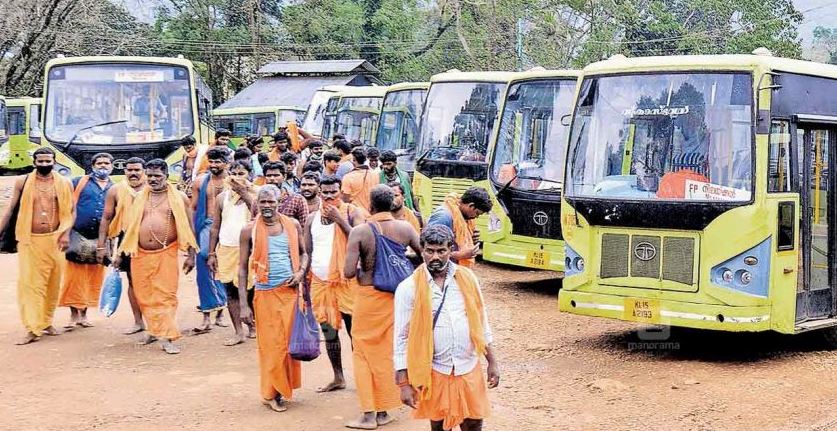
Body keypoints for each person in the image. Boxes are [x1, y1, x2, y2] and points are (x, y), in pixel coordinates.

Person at [394, 225, 500, 431]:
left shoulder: (468, 278)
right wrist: (403, 383)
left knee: (474, 422)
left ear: (451, 249)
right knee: (440, 425)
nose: (435, 257)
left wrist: (492, 362)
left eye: (441, 251)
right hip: (435, 370)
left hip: (468, 366)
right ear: (422, 251)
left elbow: (481, 321)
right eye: (430, 251)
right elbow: (401, 337)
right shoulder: (408, 288)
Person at [343, 185, 421, 429]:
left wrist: (365, 269)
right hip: (397, 299)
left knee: (363, 355)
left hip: (368, 298)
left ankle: (368, 414)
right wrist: (402, 263)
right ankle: (384, 411)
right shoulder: (406, 228)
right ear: (392, 204)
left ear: (371, 205)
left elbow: (348, 272)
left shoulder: (360, 231)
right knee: (388, 353)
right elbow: (425, 255)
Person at [238, 185, 308, 413]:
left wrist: (300, 273)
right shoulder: (248, 230)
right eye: (263, 202)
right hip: (265, 295)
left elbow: (304, 253)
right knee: (272, 347)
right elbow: (242, 269)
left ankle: (282, 387)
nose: (267, 206)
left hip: (290, 294)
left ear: (280, 202)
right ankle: (271, 393)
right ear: (257, 203)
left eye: (271, 202)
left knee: (288, 345)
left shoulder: (292, 224)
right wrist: (243, 305)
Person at [119, 159, 197, 354]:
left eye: (157, 176)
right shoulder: (140, 197)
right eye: (150, 175)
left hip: (166, 252)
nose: (153, 179)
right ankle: (154, 330)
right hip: (139, 254)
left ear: (166, 176)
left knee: (165, 296)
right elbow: (130, 228)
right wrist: (120, 253)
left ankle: (167, 336)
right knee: (144, 295)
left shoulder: (179, 197)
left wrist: (191, 255)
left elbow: (189, 227)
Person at [0, 147, 74, 345]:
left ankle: (46, 322)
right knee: (31, 284)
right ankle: (32, 327)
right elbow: (11, 209)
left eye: (48, 161)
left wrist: (66, 234)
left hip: (56, 240)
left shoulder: (64, 182)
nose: (44, 164)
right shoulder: (22, 181)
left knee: (53, 284)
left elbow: (71, 211)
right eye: (40, 161)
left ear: (54, 162)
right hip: (30, 240)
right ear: (34, 163)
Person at [302, 175, 366, 393]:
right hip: (320, 284)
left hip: (348, 283)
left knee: (355, 332)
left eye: (333, 192)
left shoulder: (352, 212)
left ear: (341, 192)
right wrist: (303, 280)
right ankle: (338, 377)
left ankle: (363, 378)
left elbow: (361, 239)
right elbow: (307, 252)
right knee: (329, 333)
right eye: (325, 192)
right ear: (320, 192)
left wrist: (340, 220)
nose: (329, 196)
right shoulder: (312, 219)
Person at [59, 152, 114, 329]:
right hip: (78, 234)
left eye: (106, 163)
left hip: (101, 238)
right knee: (74, 276)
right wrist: (64, 232)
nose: (103, 166)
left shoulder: (115, 187)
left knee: (93, 276)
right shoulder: (79, 182)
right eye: (99, 163)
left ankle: (84, 315)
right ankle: (73, 315)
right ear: (92, 166)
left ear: (112, 166)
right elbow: (65, 204)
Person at [207, 161, 257, 346]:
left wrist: (244, 193)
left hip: (251, 250)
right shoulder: (222, 197)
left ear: (250, 174)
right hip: (227, 250)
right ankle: (238, 332)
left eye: (241, 173)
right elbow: (215, 227)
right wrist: (211, 253)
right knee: (231, 292)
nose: (237, 178)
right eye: (234, 174)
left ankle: (253, 326)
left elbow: (259, 212)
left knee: (251, 291)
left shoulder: (257, 194)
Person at [97, 157, 147, 335]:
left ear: (144, 171)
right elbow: (106, 218)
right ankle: (138, 321)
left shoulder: (153, 188)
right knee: (133, 281)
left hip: (150, 240)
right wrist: (101, 246)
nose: (133, 173)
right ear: (124, 171)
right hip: (126, 240)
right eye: (129, 170)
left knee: (152, 282)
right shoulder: (116, 190)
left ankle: (157, 322)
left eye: (137, 170)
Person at [191, 146, 230, 333]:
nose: (214, 165)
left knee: (224, 267)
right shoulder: (200, 181)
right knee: (204, 265)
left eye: (218, 162)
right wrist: (192, 232)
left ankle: (221, 312)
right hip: (206, 225)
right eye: (211, 161)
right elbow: (193, 207)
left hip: (228, 227)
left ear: (226, 163)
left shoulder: (233, 182)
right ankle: (206, 315)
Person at [426, 187, 492, 268]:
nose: (476, 217)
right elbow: (429, 251)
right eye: (477, 213)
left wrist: (471, 238)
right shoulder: (443, 217)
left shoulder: (462, 218)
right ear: (471, 205)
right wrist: (460, 255)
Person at [262, 161, 308, 226]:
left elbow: (304, 226)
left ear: (284, 177)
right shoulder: (258, 201)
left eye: (276, 175)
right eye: (268, 175)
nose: (272, 178)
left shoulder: (297, 200)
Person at [341, 147, 379, 212]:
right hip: (370, 213)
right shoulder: (375, 175)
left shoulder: (348, 177)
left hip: (354, 213)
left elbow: (345, 201)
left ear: (354, 160)